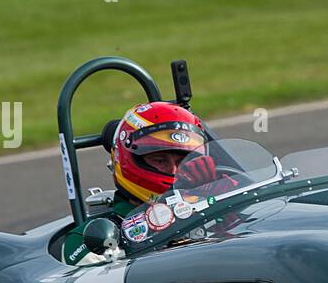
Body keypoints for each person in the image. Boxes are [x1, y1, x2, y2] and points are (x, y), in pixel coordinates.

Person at [62, 102, 236, 264]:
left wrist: (220, 201)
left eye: (184, 160)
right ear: (127, 160)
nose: (174, 171)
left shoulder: (213, 199)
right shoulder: (92, 236)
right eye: (160, 161)